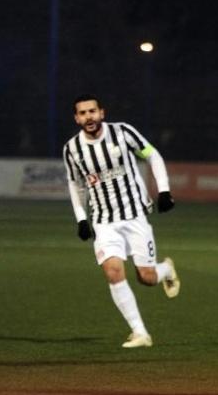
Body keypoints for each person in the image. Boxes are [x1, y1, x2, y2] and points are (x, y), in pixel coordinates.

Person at [63, 94, 180, 348]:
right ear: (76, 118)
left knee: (146, 277)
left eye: (92, 111)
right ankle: (140, 333)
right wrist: (81, 219)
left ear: (102, 113)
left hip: (135, 215)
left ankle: (166, 269)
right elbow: (76, 184)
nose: (88, 117)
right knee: (113, 272)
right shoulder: (72, 149)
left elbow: (152, 154)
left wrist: (164, 190)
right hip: (103, 221)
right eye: (82, 113)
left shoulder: (123, 132)